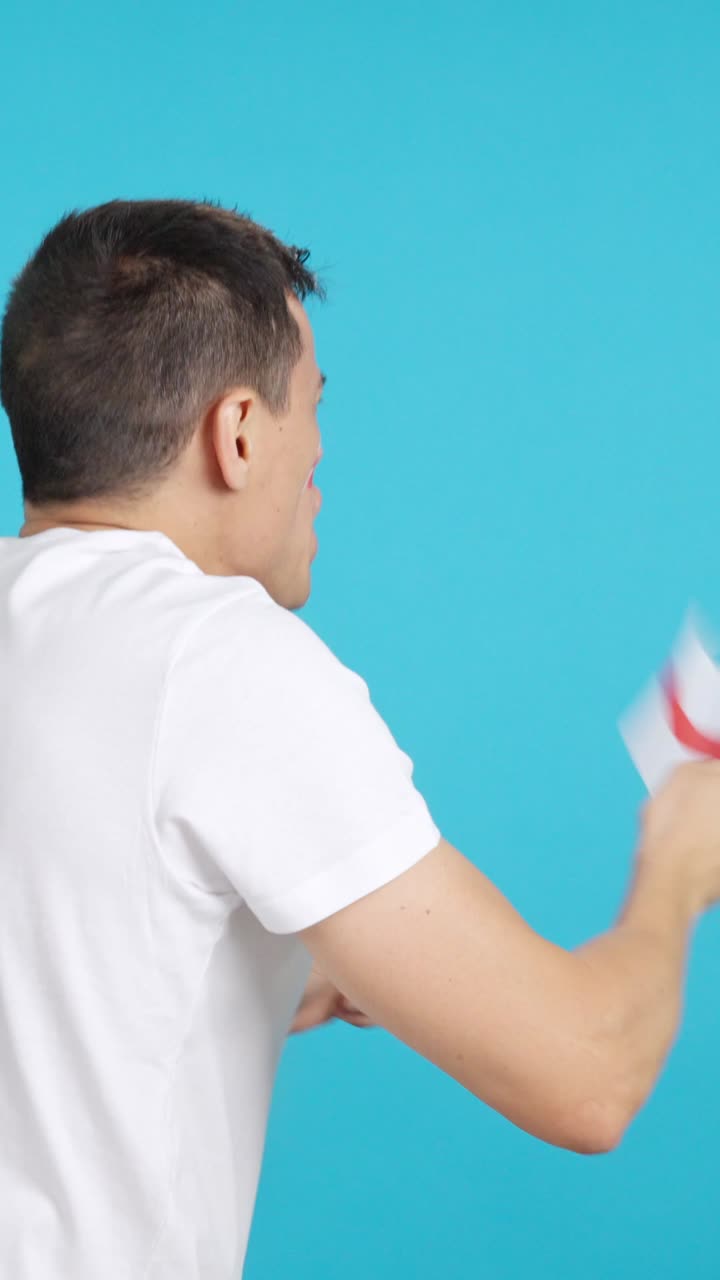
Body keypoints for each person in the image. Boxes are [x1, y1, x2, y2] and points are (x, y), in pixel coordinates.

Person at [0, 198, 718, 1280]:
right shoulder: (219, 659)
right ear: (240, 434)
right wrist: (677, 865)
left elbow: (73, 971)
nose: (321, 455)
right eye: (313, 406)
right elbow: (588, 1077)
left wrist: (310, 972)